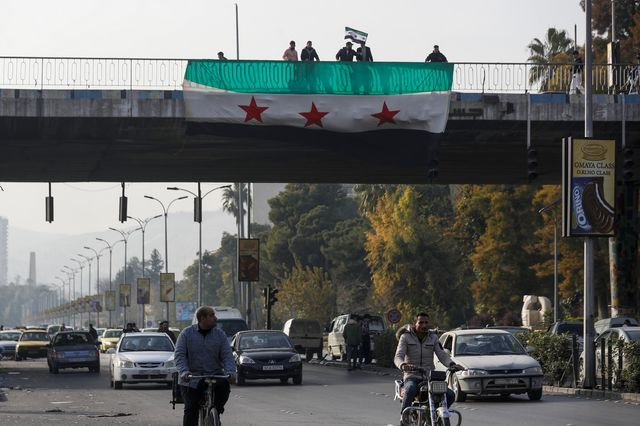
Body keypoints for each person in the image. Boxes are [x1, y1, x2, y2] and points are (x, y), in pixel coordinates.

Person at [394, 312, 462, 423]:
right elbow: (398, 356)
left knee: (450, 394)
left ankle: (436, 414)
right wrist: (403, 365)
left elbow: (442, 354)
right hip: (412, 376)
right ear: (414, 323)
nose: (424, 325)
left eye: (426, 322)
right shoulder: (405, 337)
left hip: (430, 377)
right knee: (410, 388)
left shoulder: (433, 338)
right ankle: (404, 417)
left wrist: (452, 365)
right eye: (421, 322)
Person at [175, 306, 236, 426]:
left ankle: (215, 414)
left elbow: (227, 356)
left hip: (215, 375)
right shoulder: (186, 334)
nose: (215, 318)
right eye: (212, 315)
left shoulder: (220, 335)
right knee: (191, 409)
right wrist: (184, 371)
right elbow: (179, 355)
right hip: (192, 377)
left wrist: (231, 372)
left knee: (224, 388)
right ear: (202, 318)